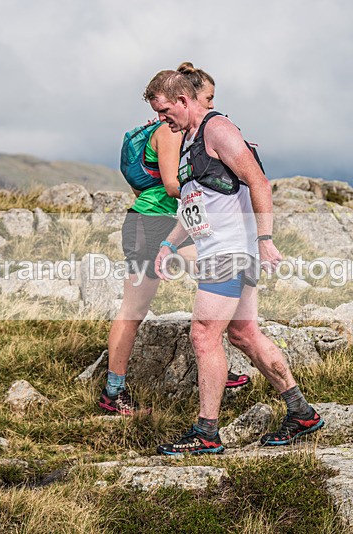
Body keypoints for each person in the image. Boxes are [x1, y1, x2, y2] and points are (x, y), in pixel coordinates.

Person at [144, 70, 324, 454]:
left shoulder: (218, 129)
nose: (163, 121)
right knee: (243, 334)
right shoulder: (190, 139)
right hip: (218, 248)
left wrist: (265, 239)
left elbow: (258, 181)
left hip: (231, 251)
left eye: (164, 112)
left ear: (183, 100)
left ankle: (207, 433)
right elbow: (196, 206)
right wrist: (169, 245)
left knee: (204, 334)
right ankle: (301, 412)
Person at [99, 64, 248, 416]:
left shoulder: (159, 131)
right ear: (189, 96)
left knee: (218, 279)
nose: (211, 106)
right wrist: (215, 192)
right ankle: (113, 392)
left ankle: (213, 364)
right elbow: (170, 184)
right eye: (208, 98)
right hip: (153, 224)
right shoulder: (168, 132)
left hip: (162, 221)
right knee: (134, 308)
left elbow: (139, 180)